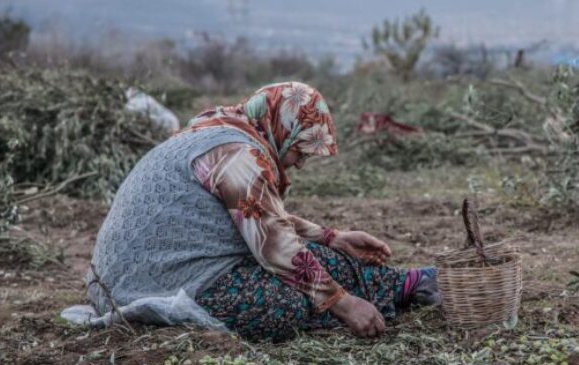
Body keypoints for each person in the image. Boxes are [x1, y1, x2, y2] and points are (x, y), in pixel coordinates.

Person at [88, 82, 440, 342]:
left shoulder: (219, 131)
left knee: (319, 259)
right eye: (299, 152)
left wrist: (332, 237)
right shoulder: (236, 154)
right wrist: (340, 302)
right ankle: (396, 290)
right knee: (281, 304)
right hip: (148, 285)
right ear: (281, 128)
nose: (299, 164)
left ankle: (407, 284)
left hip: (131, 276)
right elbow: (275, 243)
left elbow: (255, 214)